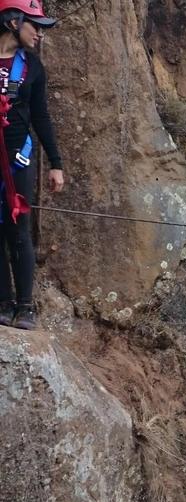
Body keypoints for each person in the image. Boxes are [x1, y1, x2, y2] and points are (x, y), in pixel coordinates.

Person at [0, 0, 63, 330]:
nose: (39, 33)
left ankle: (25, 306)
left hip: (17, 161)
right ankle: (3, 301)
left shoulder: (33, 68)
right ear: (13, 22)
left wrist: (56, 163)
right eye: (34, 25)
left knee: (18, 231)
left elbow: (40, 116)